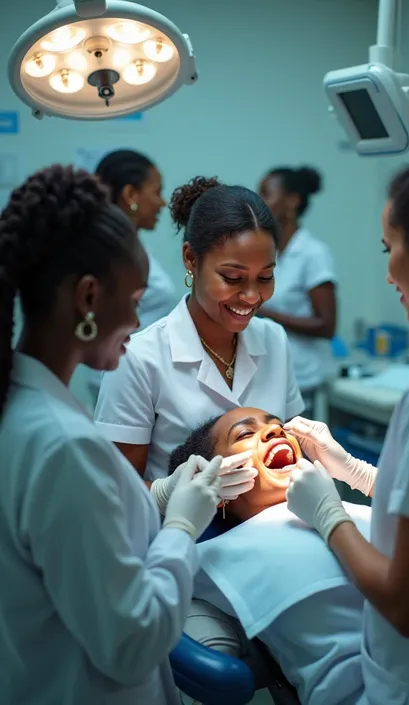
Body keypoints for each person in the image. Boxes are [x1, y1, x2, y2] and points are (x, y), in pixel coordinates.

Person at [0, 164, 230, 705]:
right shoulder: (61, 445)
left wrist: (158, 499)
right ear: (87, 297)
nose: (136, 321)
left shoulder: (26, 407)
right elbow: (132, 641)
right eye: (132, 300)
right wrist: (179, 527)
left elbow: (83, 551)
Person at [284, 144, 409, 704]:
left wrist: (328, 513)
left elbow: (405, 604)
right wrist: (355, 470)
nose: (388, 267)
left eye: (389, 247)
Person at [95, 176, 304, 490]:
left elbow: (293, 452)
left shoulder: (274, 340)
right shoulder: (138, 359)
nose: (251, 296)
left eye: (265, 277)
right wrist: (175, 493)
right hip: (180, 535)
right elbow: (115, 492)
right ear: (191, 259)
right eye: (232, 277)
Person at [168, 408, 372, 705]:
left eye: (278, 426)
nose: (276, 431)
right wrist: (178, 522)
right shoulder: (220, 551)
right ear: (219, 488)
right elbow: (146, 583)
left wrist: (361, 474)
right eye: (245, 434)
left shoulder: (357, 511)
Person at [259, 166, 337, 410]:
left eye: (266, 194)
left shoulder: (313, 254)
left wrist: (264, 312)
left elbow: (326, 325)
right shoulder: (268, 252)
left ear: (292, 201)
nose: (258, 202)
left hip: (305, 379)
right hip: (272, 377)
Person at [95, 149, 177, 330]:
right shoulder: (107, 253)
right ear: (131, 194)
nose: (162, 202)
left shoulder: (133, 246)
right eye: (157, 192)